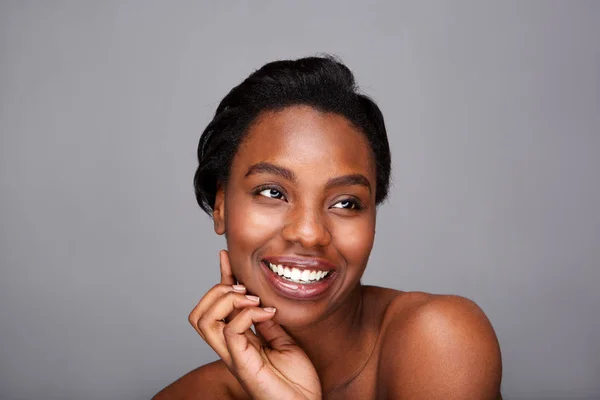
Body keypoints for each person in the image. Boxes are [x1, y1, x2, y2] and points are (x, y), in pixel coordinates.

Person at [153, 56, 502, 399]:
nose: (309, 233)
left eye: (345, 203)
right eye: (273, 192)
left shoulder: (439, 338)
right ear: (221, 206)